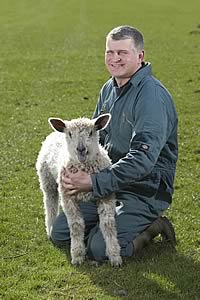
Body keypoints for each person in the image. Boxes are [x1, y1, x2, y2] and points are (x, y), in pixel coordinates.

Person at [50, 25, 178, 262]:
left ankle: (153, 225)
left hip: (144, 188)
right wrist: (76, 175)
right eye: (110, 52)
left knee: (101, 249)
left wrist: (93, 181)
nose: (115, 58)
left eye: (122, 52)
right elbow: (95, 142)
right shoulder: (109, 88)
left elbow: (143, 159)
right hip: (109, 184)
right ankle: (106, 226)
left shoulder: (151, 98)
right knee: (60, 233)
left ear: (140, 56)